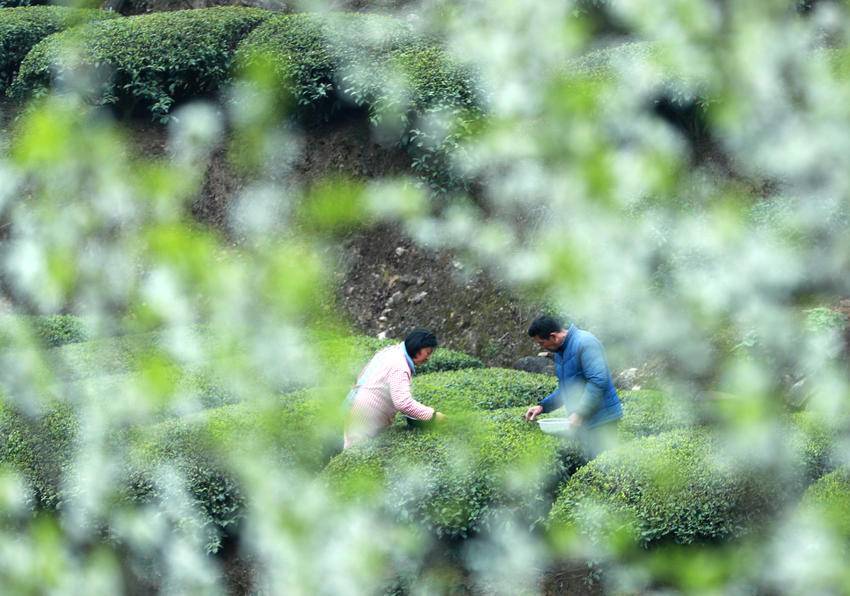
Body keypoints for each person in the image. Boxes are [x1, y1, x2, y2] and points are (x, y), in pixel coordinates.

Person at [523, 315, 622, 455]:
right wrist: (542, 406)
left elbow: (598, 381)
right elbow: (568, 390)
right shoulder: (560, 351)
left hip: (602, 420)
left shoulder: (585, 343)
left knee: (603, 463)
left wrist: (580, 413)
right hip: (586, 422)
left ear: (553, 337)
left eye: (541, 342)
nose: (541, 347)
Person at [343, 328, 446, 448]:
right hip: (363, 421)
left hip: (353, 409)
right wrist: (433, 415)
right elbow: (403, 403)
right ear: (417, 349)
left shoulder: (392, 351)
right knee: (356, 452)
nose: (428, 358)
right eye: (427, 353)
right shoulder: (400, 366)